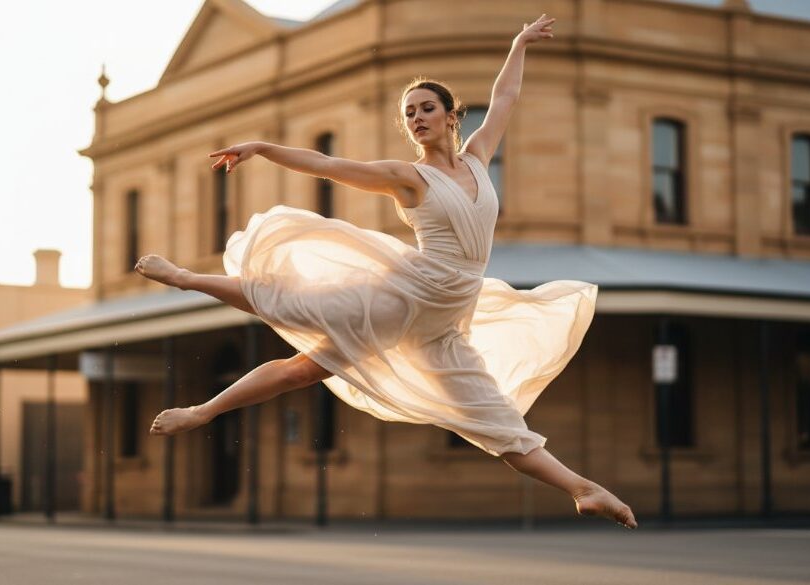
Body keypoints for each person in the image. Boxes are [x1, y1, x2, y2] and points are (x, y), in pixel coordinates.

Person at [136, 14, 637, 530]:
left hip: (446, 319)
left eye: (427, 109)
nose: (417, 118)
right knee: (299, 348)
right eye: (409, 113)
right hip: (406, 295)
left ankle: (584, 489)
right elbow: (328, 165)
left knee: (496, 422)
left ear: (450, 116)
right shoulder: (408, 177)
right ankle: (190, 311)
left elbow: (505, 99)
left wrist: (519, 44)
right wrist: (263, 148)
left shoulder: (479, 159)